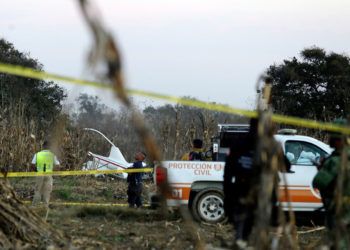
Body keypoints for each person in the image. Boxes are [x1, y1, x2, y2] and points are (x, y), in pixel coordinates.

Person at [312, 120, 350, 248]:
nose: (329, 139)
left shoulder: (335, 161)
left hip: (340, 211)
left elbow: (319, 182)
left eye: (332, 136)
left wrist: (322, 168)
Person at [31, 140, 60, 206]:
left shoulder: (37, 154)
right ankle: (45, 207)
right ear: (50, 147)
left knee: (38, 191)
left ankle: (34, 206)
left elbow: (32, 165)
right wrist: (52, 171)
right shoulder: (52, 155)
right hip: (48, 175)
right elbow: (58, 166)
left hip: (39, 174)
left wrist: (37, 171)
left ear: (43, 146)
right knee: (47, 192)